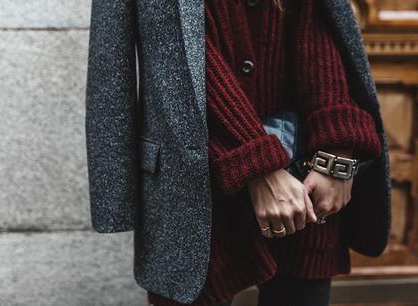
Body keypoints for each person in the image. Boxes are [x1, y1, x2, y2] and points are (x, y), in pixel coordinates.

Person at [146, 0, 382, 305]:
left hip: (305, 174)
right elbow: (176, 47)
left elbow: (319, 28)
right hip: (197, 180)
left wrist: (335, 152)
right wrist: (258, 165)